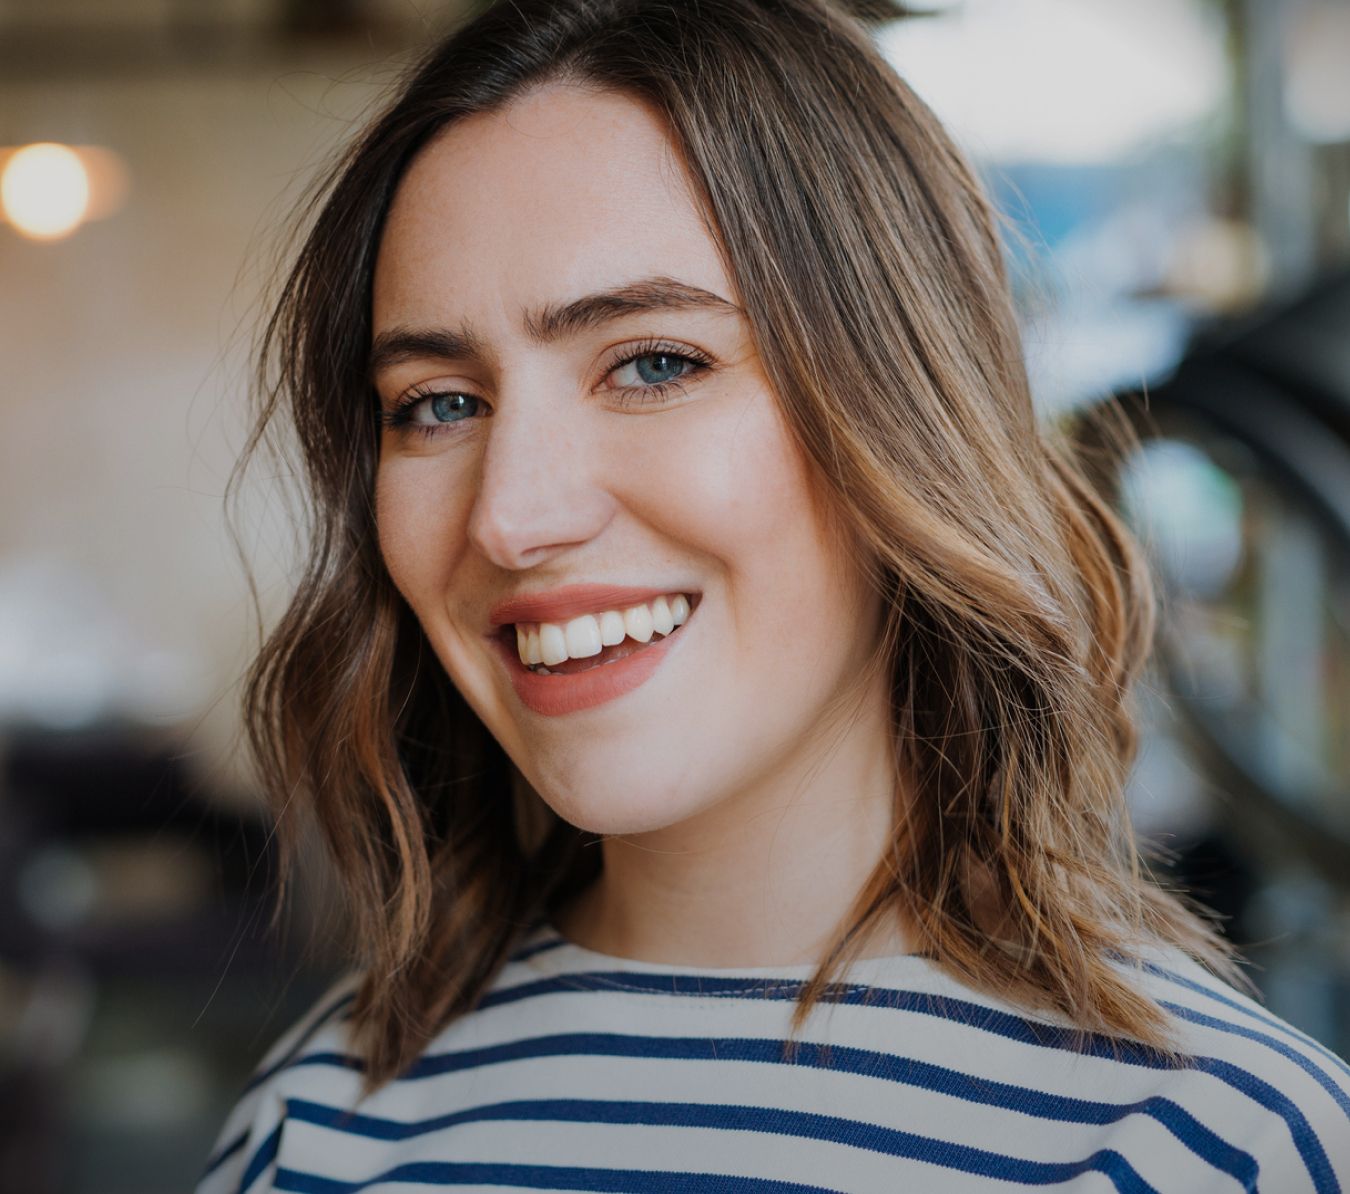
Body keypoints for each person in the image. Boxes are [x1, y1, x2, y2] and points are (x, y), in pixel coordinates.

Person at [197, 0, 1350, 1189]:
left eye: (655, 363)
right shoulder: (317, 1123)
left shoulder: (1219, 1146)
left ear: (902, 413)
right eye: (439, 403)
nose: (509, 516)